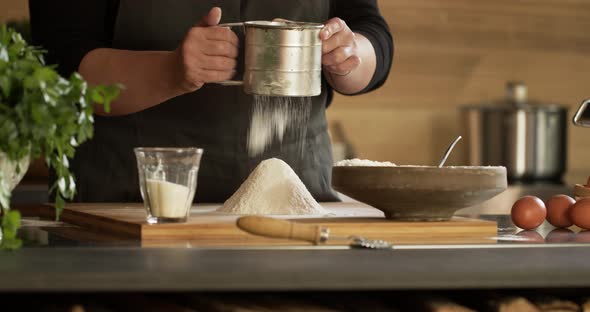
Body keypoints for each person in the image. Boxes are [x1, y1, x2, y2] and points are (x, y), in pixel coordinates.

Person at [29, 0, 393, 203]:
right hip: (130, 209)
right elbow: (63, 69)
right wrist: (170, 72)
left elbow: (371, 32)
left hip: (295, 205)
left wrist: (348, 55)